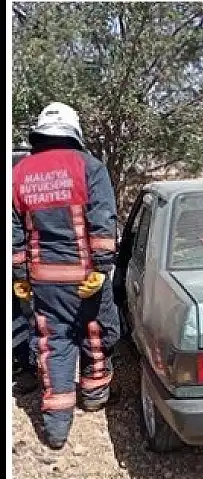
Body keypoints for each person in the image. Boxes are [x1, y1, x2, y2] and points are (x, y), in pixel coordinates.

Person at [12, 102, 121, 450]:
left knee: (53, 343)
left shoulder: (19, 172)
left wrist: (20, 275)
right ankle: (94, 394)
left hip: (43, 279)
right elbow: (103, 221)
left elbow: (14, 231)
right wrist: (102, 270)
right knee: (95, 331)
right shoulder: (90, 167)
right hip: (85, 275)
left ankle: (57, 429)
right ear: (74, 132)